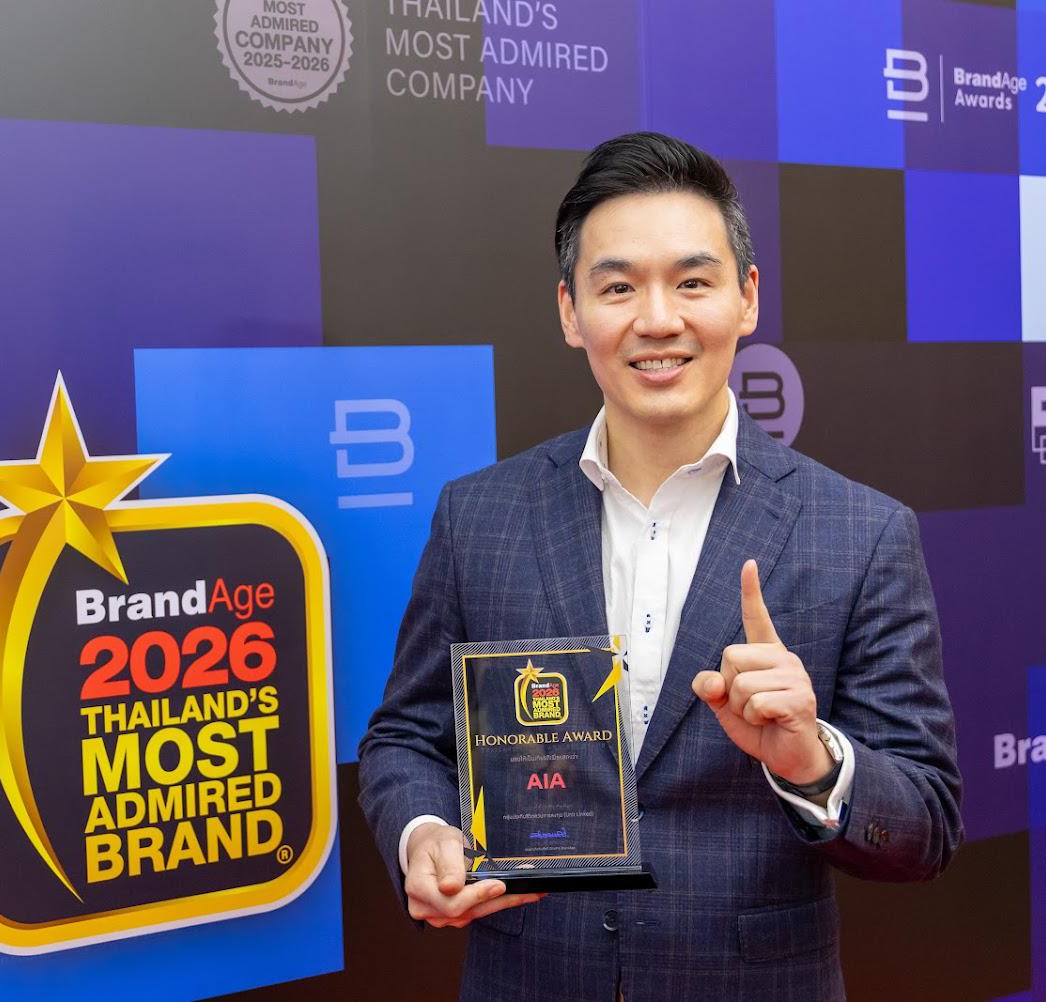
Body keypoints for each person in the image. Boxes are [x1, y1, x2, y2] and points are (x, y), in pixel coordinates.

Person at [357, 132, 963, 1001]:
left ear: (746, 298)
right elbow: (406, 738)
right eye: (617, 287)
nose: (656, 320)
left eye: (691, 282)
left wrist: (812, 759)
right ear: (570, 312)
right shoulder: (478, 515)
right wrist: (421, 830)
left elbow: (924, 828)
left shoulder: (860, 533)